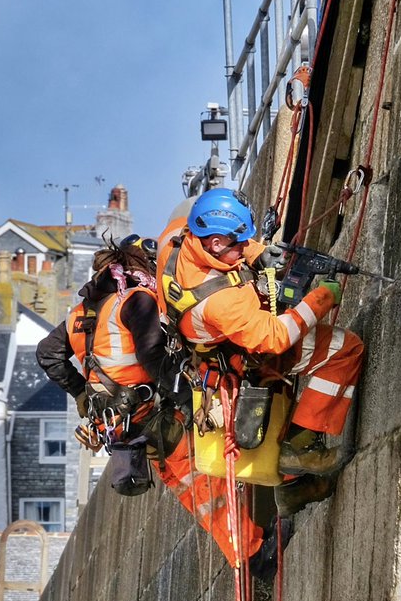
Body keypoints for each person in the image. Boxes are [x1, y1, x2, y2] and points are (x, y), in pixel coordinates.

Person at [35, 238, 262, 568]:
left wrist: (82, 394)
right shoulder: (137, 300)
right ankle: (251, 552)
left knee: (188, 484)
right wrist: (191, 396)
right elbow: (153, 355)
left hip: (120, 424)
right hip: (150, 411)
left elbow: (47, 354)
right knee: (204, 484)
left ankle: (246, 548)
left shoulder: (79, 316)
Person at [156, 188, 364, 476]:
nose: (244, 247)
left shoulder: (176, 240)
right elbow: (275, 337)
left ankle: (295, 488)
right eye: (240, 243)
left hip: (214, 346)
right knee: (345, 349)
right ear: (215, 243)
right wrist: (322, 299)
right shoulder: (219, 302)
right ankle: (301, 447)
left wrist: (258, 254)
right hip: (239, 354)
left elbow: (229, 248)